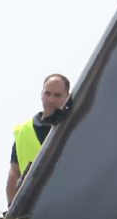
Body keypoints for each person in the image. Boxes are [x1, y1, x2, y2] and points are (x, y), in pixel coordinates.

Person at [7, 72, 73, 204]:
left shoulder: (73, 127)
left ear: (68, 97)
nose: (51, 100)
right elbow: (14, 172)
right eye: (47, 93)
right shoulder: (24, 131)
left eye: (57, 95)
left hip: (67, 203)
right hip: (30, 206)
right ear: (41, 93)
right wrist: (11, 207)